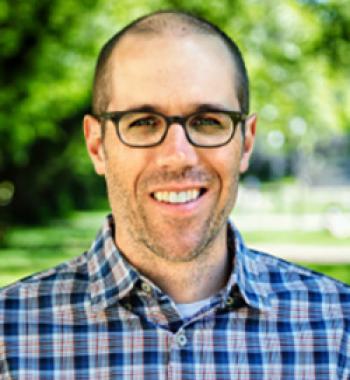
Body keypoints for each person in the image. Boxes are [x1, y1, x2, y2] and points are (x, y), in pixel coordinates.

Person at [1, 10, 349, 379]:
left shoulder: (338, 331)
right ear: (96, 145)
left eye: (208, 121)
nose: (177, 156)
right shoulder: (8, 339)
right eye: (143, 122)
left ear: (246, 142)